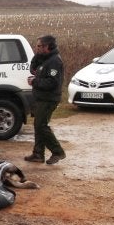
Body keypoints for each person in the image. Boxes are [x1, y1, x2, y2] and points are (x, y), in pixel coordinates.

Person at [24, 35, 66, 165]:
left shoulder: (55, 62)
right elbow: (34, 68)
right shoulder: (44, 59)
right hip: (40, 98)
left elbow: (53, 82)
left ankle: (58, 151)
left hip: (48, 99)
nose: (36, 48)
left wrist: (35, 81)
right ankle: (38, 154)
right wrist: (37, 57)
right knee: (38, 125)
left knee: (41, 126)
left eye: (39, 46)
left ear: (47, 46)